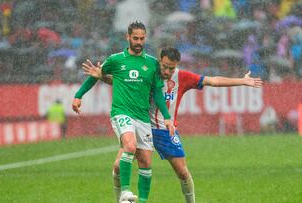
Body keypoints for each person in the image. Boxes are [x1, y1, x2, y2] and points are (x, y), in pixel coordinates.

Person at [82, 47, 263, 203]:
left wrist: (242, 81)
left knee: (183, 173)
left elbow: (212, 81)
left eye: (172, 68)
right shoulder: (148, 70)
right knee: (117, 167)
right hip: (141, 126)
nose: (167, 71)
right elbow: (120, 81)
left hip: (165, 131)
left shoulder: (182, 77)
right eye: (165, 66)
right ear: (159, 60)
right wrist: (101, 76)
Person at [72, 21, 174, 203]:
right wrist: (79, 95)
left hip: (142, 117)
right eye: (135, 38)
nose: (139, 42)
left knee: (146, 162)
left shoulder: (152, 64)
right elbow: (96, 74)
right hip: (121, 112)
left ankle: (141, 201)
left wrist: (167, 117)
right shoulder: (116, 59)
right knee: (129, 146)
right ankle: (125, 193)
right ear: (128, 37)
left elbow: (158, 92)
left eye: (142, 38)